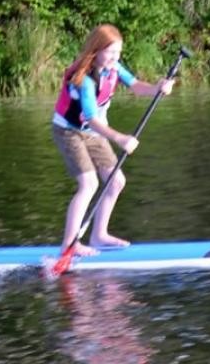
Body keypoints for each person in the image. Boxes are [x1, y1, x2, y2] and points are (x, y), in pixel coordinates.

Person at [52, 23, 175, 255]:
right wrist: (120, 138)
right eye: (110, 52)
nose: (115, 57)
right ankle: (70, 244)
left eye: (118, 53)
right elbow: (91, 119)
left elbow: (137, 87)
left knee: (116, 181)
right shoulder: (84, 79)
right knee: (89, 184)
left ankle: (99, 236)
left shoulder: (113, 67)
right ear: (96, 50)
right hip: (69, 131)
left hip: (94, 132)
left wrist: (158, 88)